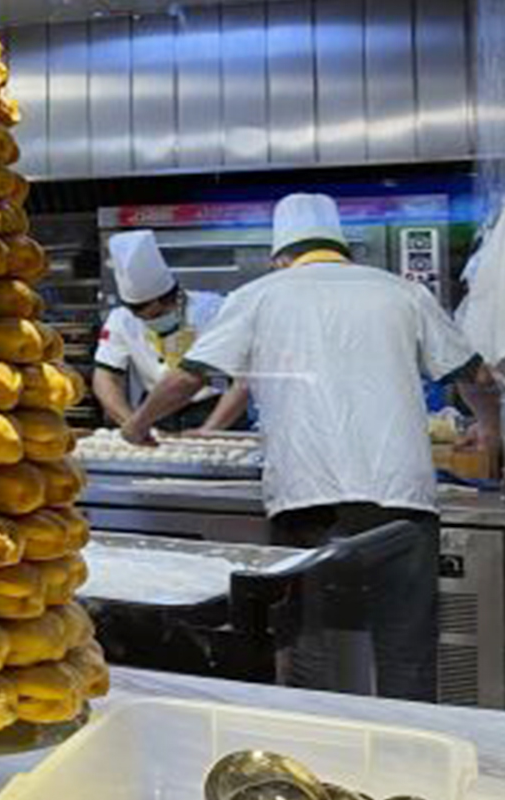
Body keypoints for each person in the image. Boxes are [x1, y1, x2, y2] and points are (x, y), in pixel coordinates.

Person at [123, 193, 502, 701]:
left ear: (281, 256)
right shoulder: (402, 293)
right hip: (402, 499)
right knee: (407, 652)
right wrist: (489, 428)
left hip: (307, 499)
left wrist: (138, 424)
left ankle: (321, 747)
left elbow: (188, 378)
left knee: (312, 653)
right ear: (343, 249)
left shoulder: (257, 296)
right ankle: (409, 747)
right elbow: (475, 375)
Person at [91, 229, 248, 432]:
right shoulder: (121, 319)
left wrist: (210, 430)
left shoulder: (216, 311)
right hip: (155, 411)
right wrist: (130, 424)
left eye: (157, 315)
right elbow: (105, 377)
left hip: (215, 408)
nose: (151, 323)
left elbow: (241, 381)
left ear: (177, 298)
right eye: (143, 318)